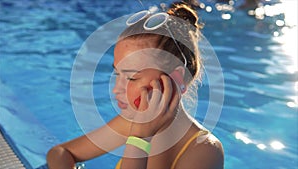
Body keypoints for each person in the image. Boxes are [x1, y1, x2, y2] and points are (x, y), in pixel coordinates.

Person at [46, 1, 224, 169]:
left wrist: (139, 139)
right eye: (117, 73)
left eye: (131, 78)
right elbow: (60, 152)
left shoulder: (204, 150)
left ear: (176, 79)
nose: (116, 89)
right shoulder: (131, 121)